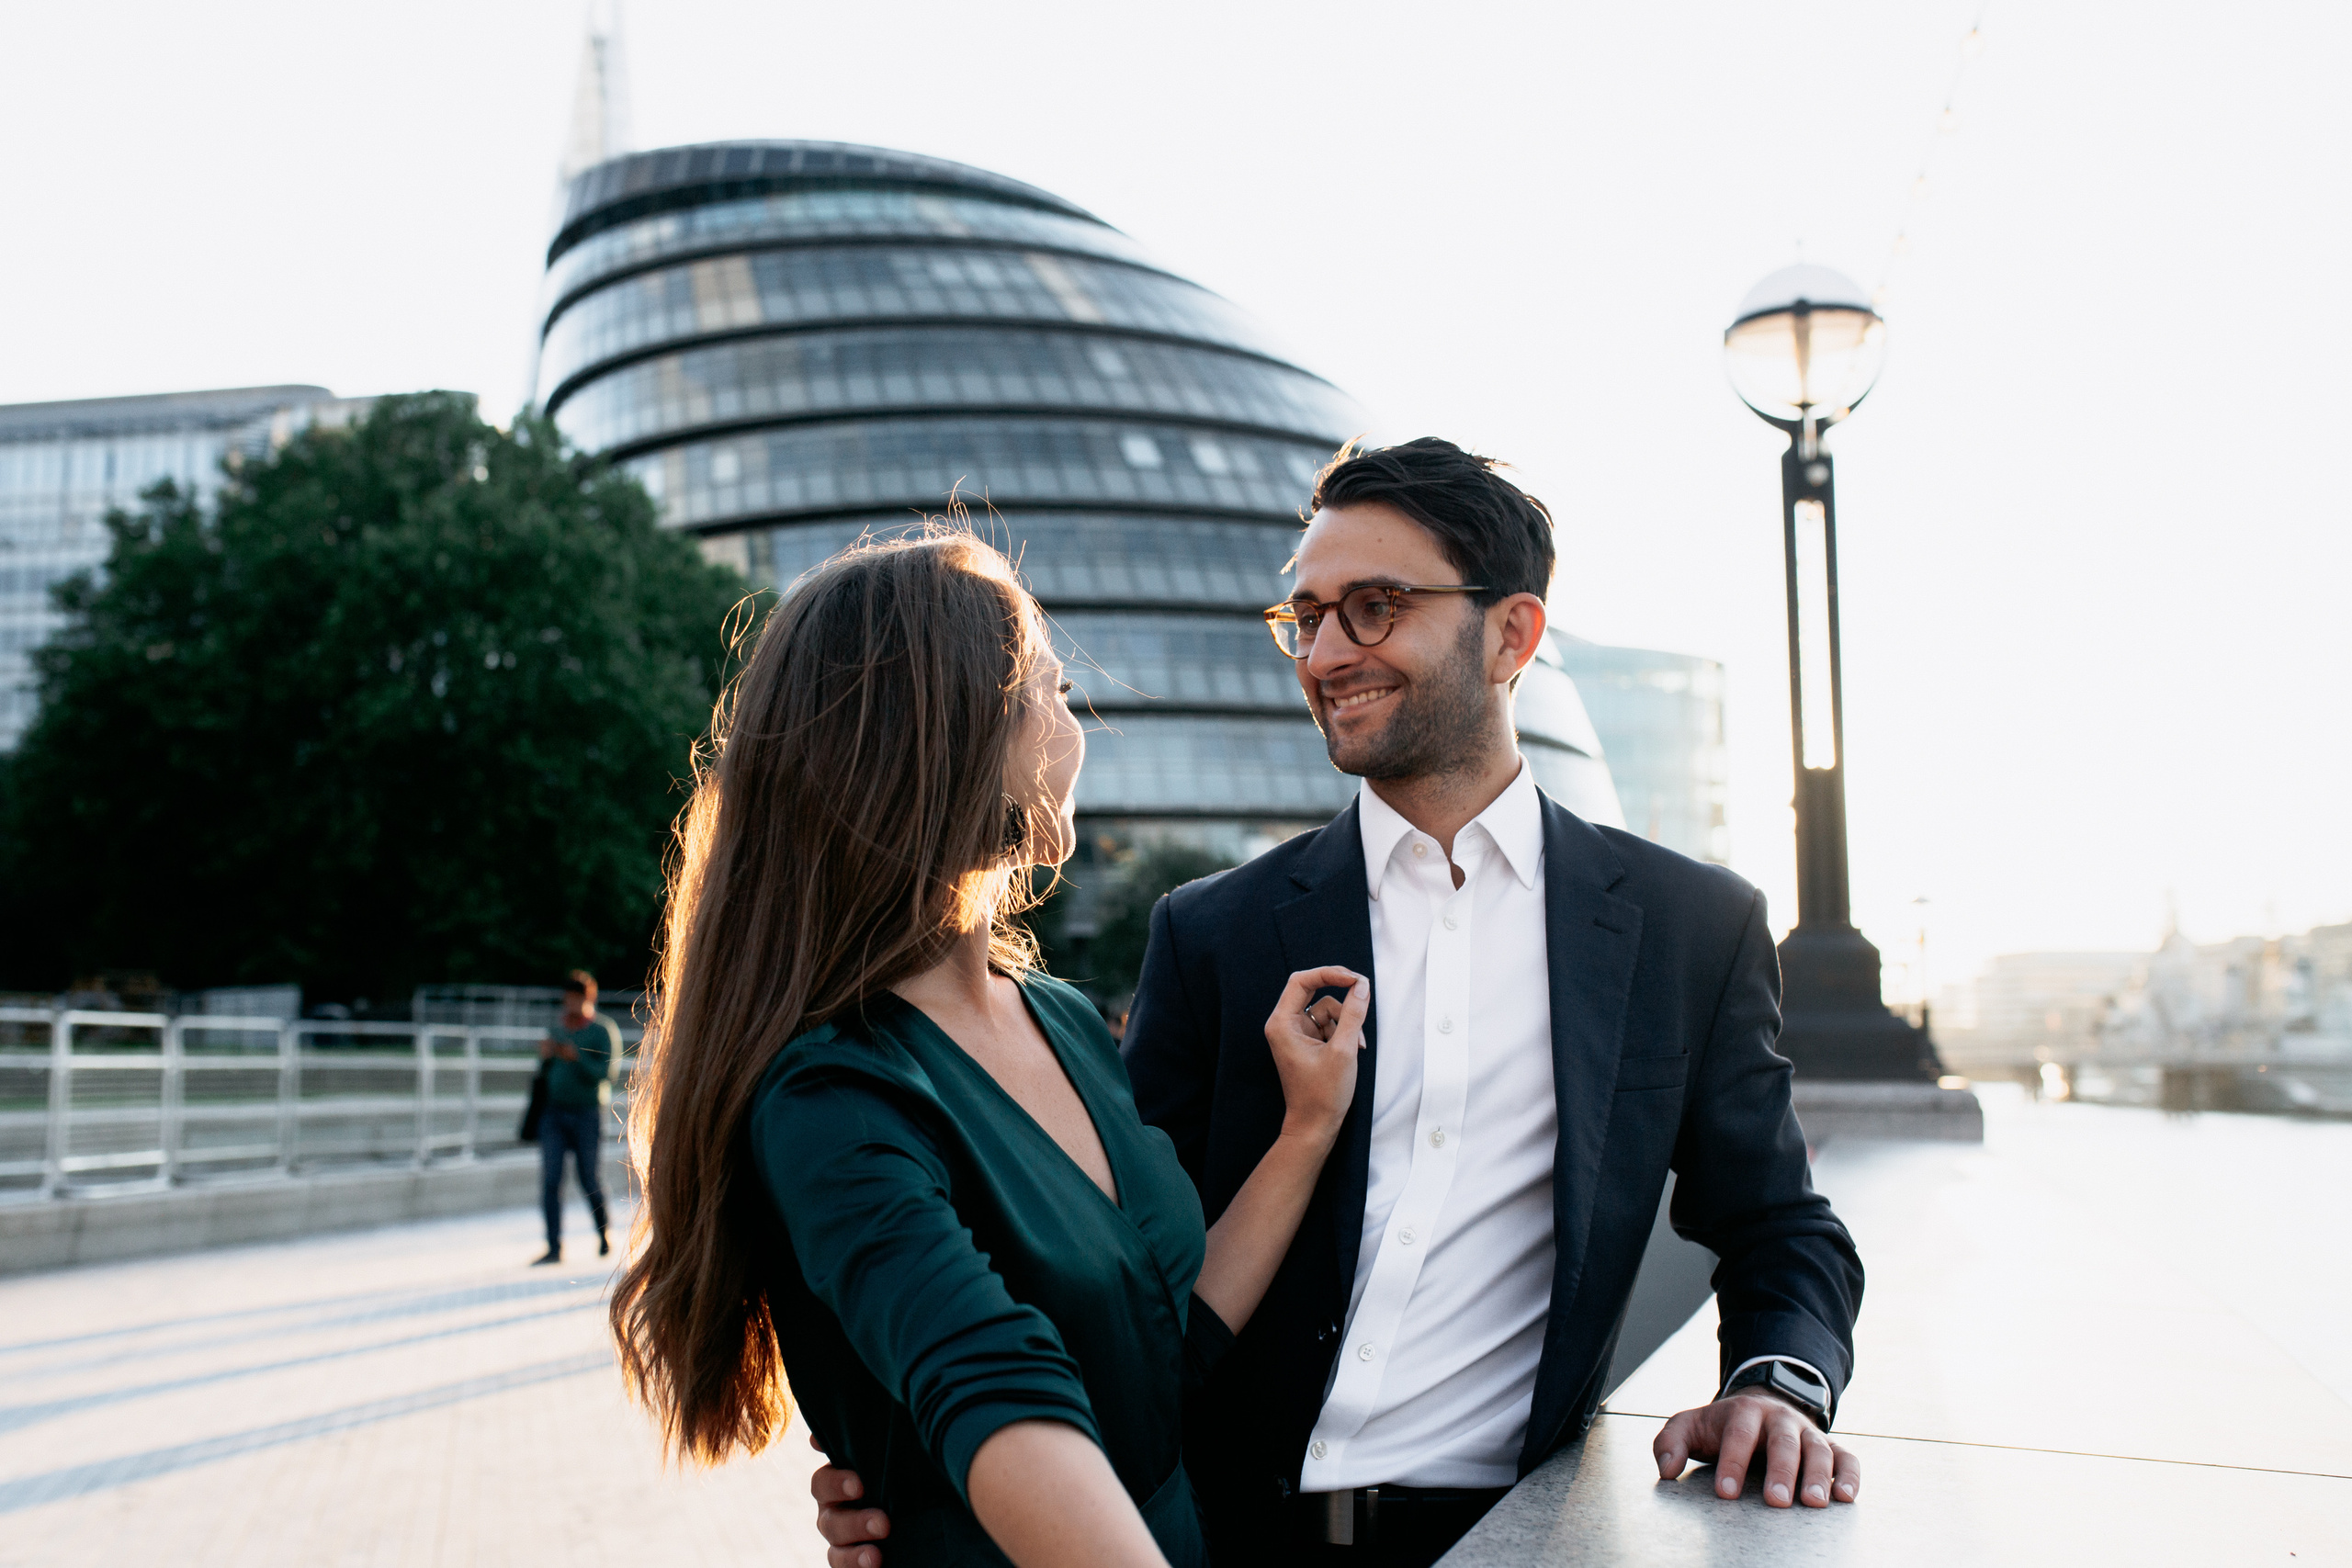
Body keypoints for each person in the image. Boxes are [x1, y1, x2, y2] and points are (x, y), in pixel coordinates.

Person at [813, 440, 1866, 1568]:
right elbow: (1109, 1276)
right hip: (1215, 1535)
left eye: (1373, 609)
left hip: (1506, 1537)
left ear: (1511, 635)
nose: (1323, 654)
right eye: (1304, 616)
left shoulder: (1683, 927)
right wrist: (925, 1461)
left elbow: (1778, 1225)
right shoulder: (1211, 931)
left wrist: (1778, 1383)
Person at [608, 530, 1374, 1568]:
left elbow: (1166, 1351)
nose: (1075, 728)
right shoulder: (836, 1095)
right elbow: (997, 1389)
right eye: (1054, 693)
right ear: (964, 739)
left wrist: (1307, 1127)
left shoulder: (1058, 1017)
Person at [535, 968, 619, 1266]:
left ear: (588, 999)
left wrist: (578, 1058)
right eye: (567, 999)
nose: (570, 1005)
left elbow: (608, 1073)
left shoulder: (601, 1030)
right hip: (554, 1113)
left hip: (587, 1113)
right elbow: (544, 1075)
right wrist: (546, 1056)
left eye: (575, 999)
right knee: (551, 1179)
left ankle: (603, 1233)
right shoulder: (557, 1029)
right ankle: (553, 1246)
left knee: (589, 1178)